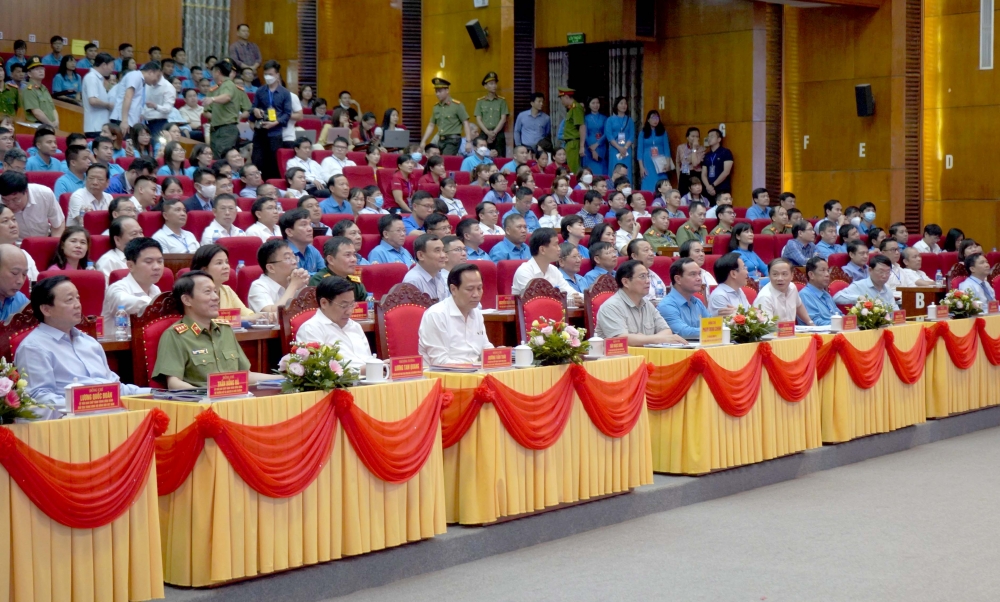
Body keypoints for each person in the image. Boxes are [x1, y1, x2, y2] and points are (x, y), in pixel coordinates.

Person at [17, 276, 147, 412]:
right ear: (46, 310)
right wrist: (90, 403)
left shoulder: (89, 342)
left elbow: (117, 388)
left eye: (77, 298)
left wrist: (155, 393)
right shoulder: (33, 347)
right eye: (69, 300)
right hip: (73, 422)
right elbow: (38, 399)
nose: (78, 304)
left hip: (111, 414)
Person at [153, 271, 273, 388]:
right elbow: (174, 383)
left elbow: (246, 376)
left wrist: (284, 378)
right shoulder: (175, 335)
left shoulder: (225, 330)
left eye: (215, 292)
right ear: (187, 300)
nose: (216, 297)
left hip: (233, 400)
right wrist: (207, 394)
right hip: (200, 403)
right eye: (207, 292)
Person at [418, 263, 493, 366]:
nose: (476, 294)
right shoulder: (436, 315)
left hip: (475, 372)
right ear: (453, 289)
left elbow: (486, 348)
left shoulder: (476, 313)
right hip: (445, 376)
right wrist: (474, 366)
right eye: (470, 289)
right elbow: (439, 362)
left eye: (479, 288)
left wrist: (498, 354)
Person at [595, 260, 685, 345]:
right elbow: (621, 339)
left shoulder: (647, 304)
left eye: (648, 276)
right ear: (626, 282)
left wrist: (644, 339)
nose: (648, 281)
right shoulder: (611, 306)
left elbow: (666, 331)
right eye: (642, 276)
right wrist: (657, 339)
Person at [295, 276, 374, 371]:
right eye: (344, 306)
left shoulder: (355, 326)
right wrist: (362, 371)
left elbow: (368, 359)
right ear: (324, 303)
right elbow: (319, 372)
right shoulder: (311, 329)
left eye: (352, 305)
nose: (349, 311)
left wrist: (379, 365)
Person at [101, 237, 163, 326]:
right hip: (116, 340)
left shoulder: (155, 290)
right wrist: (161, 305)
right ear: (130, 266)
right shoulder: (116, 289)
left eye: (160, 261)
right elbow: (128, 302)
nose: (157, 267)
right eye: (149, 262)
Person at [511, 228, 583, 303]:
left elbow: (570, 292)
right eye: (555, 245)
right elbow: (535, 301)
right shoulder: (524, 271)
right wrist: (570, 301)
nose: (559, 249)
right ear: (542, 250)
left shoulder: (554, 270)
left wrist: (585, 299)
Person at [247, 239, 310, 313]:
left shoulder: (294, 280)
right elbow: (272, 314)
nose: (294, 262)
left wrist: (304, 287)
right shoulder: (258, 286)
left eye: (294, 257)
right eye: (288, 258)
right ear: (271, 268)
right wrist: (293, 286)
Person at [0, 171, 65, 240]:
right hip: (13, 245)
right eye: (5, 200)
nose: (11, 205)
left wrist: (54, 244)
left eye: (15, 200)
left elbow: (58, 224)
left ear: (26, 191)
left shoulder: (44, 194)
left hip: (44, 240)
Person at [658, 258, 711, 339]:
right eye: (693, 274)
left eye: (699, 274)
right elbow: (683, 332)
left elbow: (711, 323)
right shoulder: (666, 305)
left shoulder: (697, 302)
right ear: (678, 279)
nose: (699, 278)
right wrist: (714, 330)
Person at [419, 78, 471, 156]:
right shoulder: (436, 107)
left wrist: (468, 141)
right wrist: (423, 141)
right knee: (438, 161)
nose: (437, 94)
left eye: (440, 91)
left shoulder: (457, 105)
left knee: (445, 160)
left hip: (453, 140)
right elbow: (431, 125)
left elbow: (465, 123)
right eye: (436, 91)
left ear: (447, 90)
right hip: (440, 139)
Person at [753, 258, 813, 324]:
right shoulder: (764, 297)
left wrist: (810, 323)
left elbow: (799, 305)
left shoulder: (792, 287)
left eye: (784, 274)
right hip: (772, 333)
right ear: (769, 276)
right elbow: (767, 328)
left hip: (790, 332)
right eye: (775, 274)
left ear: (792, 275)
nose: (780, 278)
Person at [833, 255, 899, 310]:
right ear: (870, 270)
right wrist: (858, 298)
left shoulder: (887, 289)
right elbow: (837, 297)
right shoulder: (859, 285)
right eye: (881, 272)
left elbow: (895, 310)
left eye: (888, 272)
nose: (884, 276)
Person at [401, 234, 449, 300]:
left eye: (443, 250)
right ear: (421, 255)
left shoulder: (439, 275)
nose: (443, 255)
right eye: (437, 250)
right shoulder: (413, 281)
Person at [474, 72, 509, 157]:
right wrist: (487, 133)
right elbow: (478, 119)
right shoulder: (480, 102)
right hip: (484, 133)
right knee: (482, 156)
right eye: (491, 84)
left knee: (500, 157)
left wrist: (494, 133)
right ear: (485, 86)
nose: (494, 86)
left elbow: (503, 118)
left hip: (498, 133)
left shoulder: (502, 101)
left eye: (495, 83)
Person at [799, 257, 842, 326]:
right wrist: (841, 323)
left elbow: (838, 314)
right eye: (823, 270)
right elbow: (815, 322)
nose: (827, 274)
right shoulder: (804, 295)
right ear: (811, 275)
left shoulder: (826, 294)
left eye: (828, 270)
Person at [81, 53, 116, 138]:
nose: (112, 70)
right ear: (104, 65)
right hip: (95, 126)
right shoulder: (91, 78)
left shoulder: (98, 78)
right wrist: (108, 105)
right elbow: (93, 100)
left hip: (100, 125)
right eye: (111, 66)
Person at [636, 110, 670, 191]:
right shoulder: (643, 133)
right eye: (653, 118)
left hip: (660, 162)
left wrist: (668, 163)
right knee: (648, 181)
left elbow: (667, 148)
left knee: (661, 182)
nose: (655, 120)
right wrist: (641, 167)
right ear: (648, 119)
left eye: (657, 118)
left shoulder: (663, 132)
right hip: (647, 162)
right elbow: (640, 151)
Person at [708, 253, 750, 317]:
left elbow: (749, 313)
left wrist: (738, 313)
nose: (747, 272)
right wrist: (739, 314)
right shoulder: (719, 296)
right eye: (744, 268)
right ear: (733, 274)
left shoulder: (738, 290)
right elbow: (729, 324)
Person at [21, 60, 59, 127]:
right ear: (29, 74)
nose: (41, 71)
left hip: (50, 126)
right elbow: (36, 112)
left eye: (42, 68)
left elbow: (53, 108)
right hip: (39, 126)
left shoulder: (44, 88)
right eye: (37, 69)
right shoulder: (29, 90)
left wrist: (56, 121)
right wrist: (50, 124)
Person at [701, 128, 733, 203]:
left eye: (712, 136)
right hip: (708, 189)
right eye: (708, 136)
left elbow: (726, 172)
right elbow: (703, 174)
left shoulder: (726, 152)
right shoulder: (707, 155)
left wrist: (713, 185)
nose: (709, 138)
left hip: (722, 188)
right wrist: (708, 186)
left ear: (719, 139)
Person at [558, 88, 586, 173]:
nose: (561, 102)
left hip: (573, 143)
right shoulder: (571, 108)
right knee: (570, 168)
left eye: (562, 99)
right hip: (569, 143)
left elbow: (582, 126)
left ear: (566, 97)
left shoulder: (576, 107)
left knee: (573, 169)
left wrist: (581, 146)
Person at [675, 127, 704, 196]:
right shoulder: (680, 147)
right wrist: (679, 178)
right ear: (687, 137)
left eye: (697, 136)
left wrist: (694, 148)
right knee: (683, 196)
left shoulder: (702, 149)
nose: (695, 138)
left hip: (696, 174)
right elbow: (678, 162)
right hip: (684, 174)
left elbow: (695, 163)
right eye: (692, 136)